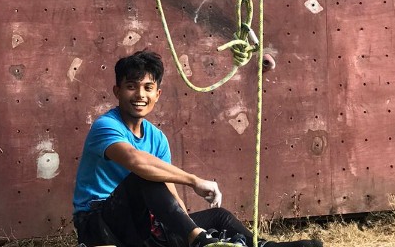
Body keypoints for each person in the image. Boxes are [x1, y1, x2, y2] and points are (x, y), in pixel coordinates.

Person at [72, 50, 323, 247]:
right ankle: (200, 242)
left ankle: (265, 246)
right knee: (144, 175)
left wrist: (185, 226)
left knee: (219, 217)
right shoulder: (106, 126)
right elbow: (137, 162)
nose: (140, 94)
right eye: (131, 86)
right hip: (100, 221)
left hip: (141, 221)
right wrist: (194, 181)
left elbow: (168, 191)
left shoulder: (157, 138)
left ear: (157, 94)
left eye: (148, 88)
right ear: (117, 91)